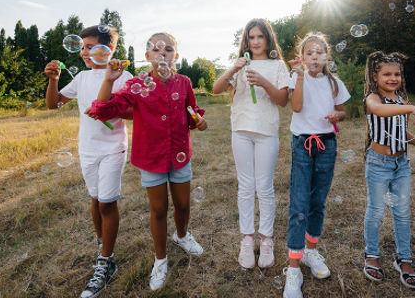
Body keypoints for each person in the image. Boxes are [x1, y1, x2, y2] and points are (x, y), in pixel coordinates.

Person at [88, 32, 208, 291]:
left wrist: (199, 120)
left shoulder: (184, 82)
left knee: (184, 204)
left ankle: (183, 235)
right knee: (159, 210)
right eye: (156, 50)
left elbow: (192, 112)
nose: (162, 53)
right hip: (151, 157)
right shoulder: (136, 85)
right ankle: (160, 260)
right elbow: (103, 110)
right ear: (147, 57)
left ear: (175, 55)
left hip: (179, 154)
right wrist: (109, 80)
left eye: (168, 49)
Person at [44, 25, 132, 298]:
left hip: (112, 148)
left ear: (108, 51)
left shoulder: (123, 75)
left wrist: (108, 109)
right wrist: (53, 80)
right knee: (95, 200)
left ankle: (104, 264)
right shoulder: (81, 78)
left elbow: (132, 111)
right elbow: (53, 104)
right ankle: (104, 248)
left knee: (107, 202)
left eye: (91, 46)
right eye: (81, 47)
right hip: (88, 150)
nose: (84, 52)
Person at [213, 18, 289, 269]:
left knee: (264, 187)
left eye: (260, 37)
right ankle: (247, 239)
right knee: (245, 186)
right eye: (250, 37)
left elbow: (282, 100)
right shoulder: (241, 65)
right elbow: (216, 89)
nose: (255, 42)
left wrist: (264, 82)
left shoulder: (278, 65)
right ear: (246, 41)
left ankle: (266, 239)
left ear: (268, 39)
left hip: (266, 131)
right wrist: (233, 69)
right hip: (241, 131)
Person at [283, 33, 350, 298]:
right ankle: (293, 268)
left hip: (327, 145)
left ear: (326, 57)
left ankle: (311, 252)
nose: (314, 57)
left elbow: (343, 111)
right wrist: (298, 76)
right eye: (309, 53)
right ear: (302, 57)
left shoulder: (334, 83)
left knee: (318, 202)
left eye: (319, 52)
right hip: (302, 144)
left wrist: (338, 115)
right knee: (299, 203)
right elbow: (296, 107)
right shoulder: (297, 78)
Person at [361, 51, 415, 288]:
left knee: (402, 211)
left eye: (397, 74)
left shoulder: (400, 101)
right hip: (378, 164)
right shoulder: (373, 99)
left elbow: (401, 133)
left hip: (401, 164)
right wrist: (412, 108)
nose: (393, 78)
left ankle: (404, 259)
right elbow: (380, 112)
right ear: (375, 76)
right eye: (387, 74)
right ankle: (371, 255)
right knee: (376, 210)